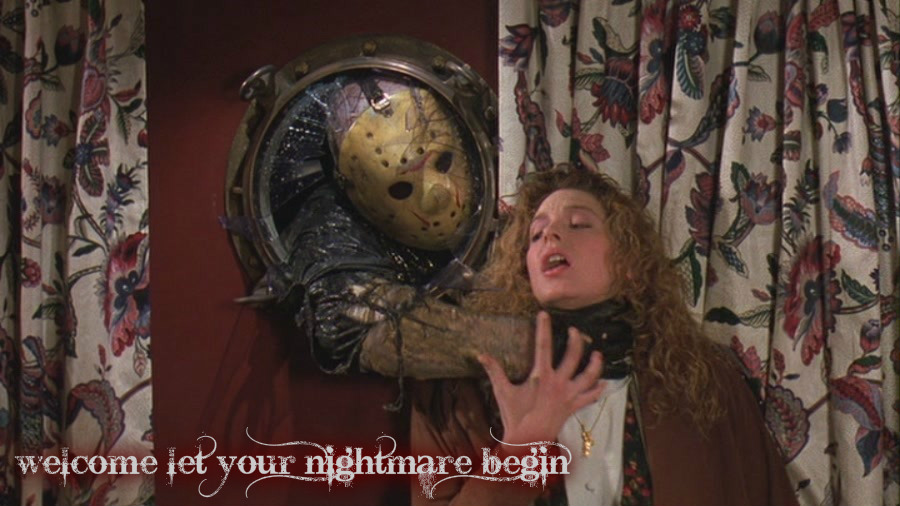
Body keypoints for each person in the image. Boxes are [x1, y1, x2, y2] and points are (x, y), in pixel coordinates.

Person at [399, 166, 798, 506]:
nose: (551, 236)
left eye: (578, 224)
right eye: (536, 235)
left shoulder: (706, 385)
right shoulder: (459, 392)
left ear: (628, 261)